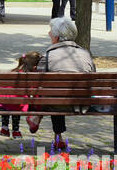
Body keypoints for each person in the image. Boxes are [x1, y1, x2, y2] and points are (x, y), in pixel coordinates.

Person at [40, 17, 94, 153]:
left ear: (57, 37)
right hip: (82, 103)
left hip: (56, 103)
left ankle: (43, 123)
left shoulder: (48, 55)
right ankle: (58, 136)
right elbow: (93, 77)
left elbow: (37, 81)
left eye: (51, 32)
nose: (48, 34)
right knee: (58, 92)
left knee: (54, 93)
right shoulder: (85, 54)